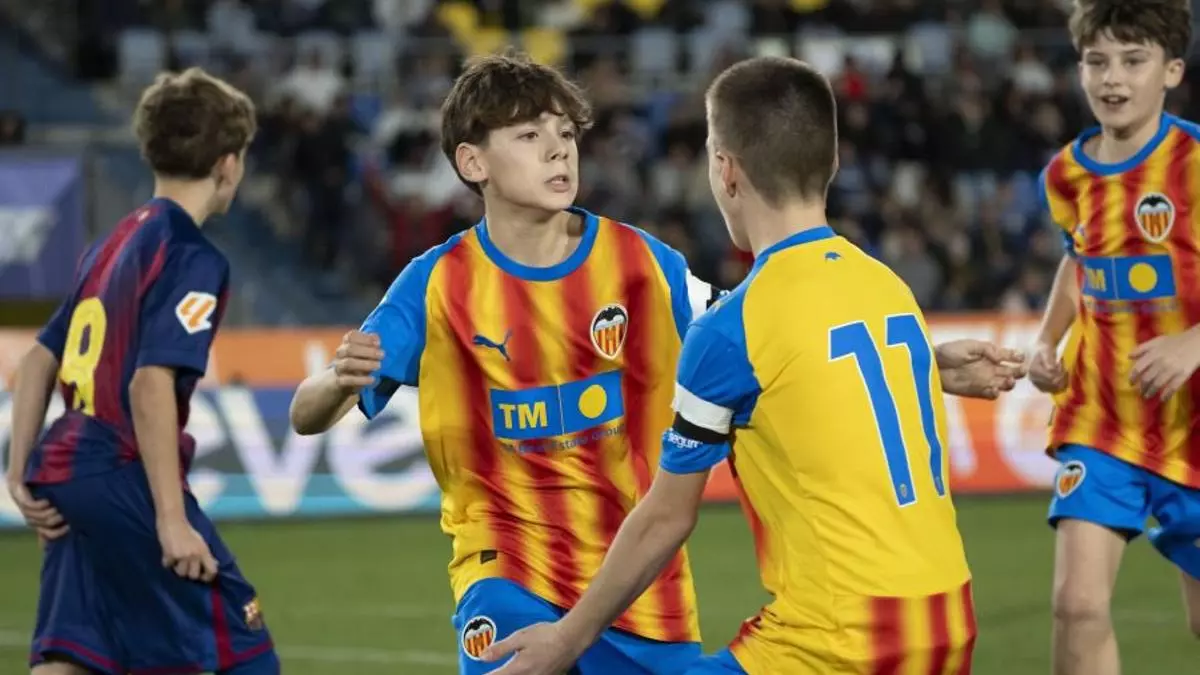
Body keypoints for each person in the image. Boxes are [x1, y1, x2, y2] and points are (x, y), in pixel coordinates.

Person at [289, 52, 1020, 675]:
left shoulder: (642, 264)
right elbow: (306, 412)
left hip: (641, 588)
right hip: (508, 569)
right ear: (472, 162)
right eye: (530, 135)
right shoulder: (435, 284)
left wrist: (929, 363)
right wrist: (336, 380)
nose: (557, 151)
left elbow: (777, 340)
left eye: (565, 134)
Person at [4, 68, 279, 675]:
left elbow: (39, 358)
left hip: (65, 471)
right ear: (228, 165)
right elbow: (149, 383)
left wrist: (18, 472)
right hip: (120, 471)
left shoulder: (109, 245)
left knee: (75, 652)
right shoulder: (192, 256)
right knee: (245, 652)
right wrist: (171, 521)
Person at [1028, 1, 1200, 673]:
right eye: (1097, 61)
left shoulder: (1194, 161)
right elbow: (1079, 261)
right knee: (1076, 604)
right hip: (1103, 421)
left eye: (1134, 60)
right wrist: (1046, 341)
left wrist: (1193, 343)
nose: (1113, 78)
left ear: (1172, 71)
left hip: (1192, 426)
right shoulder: (1064, 176)